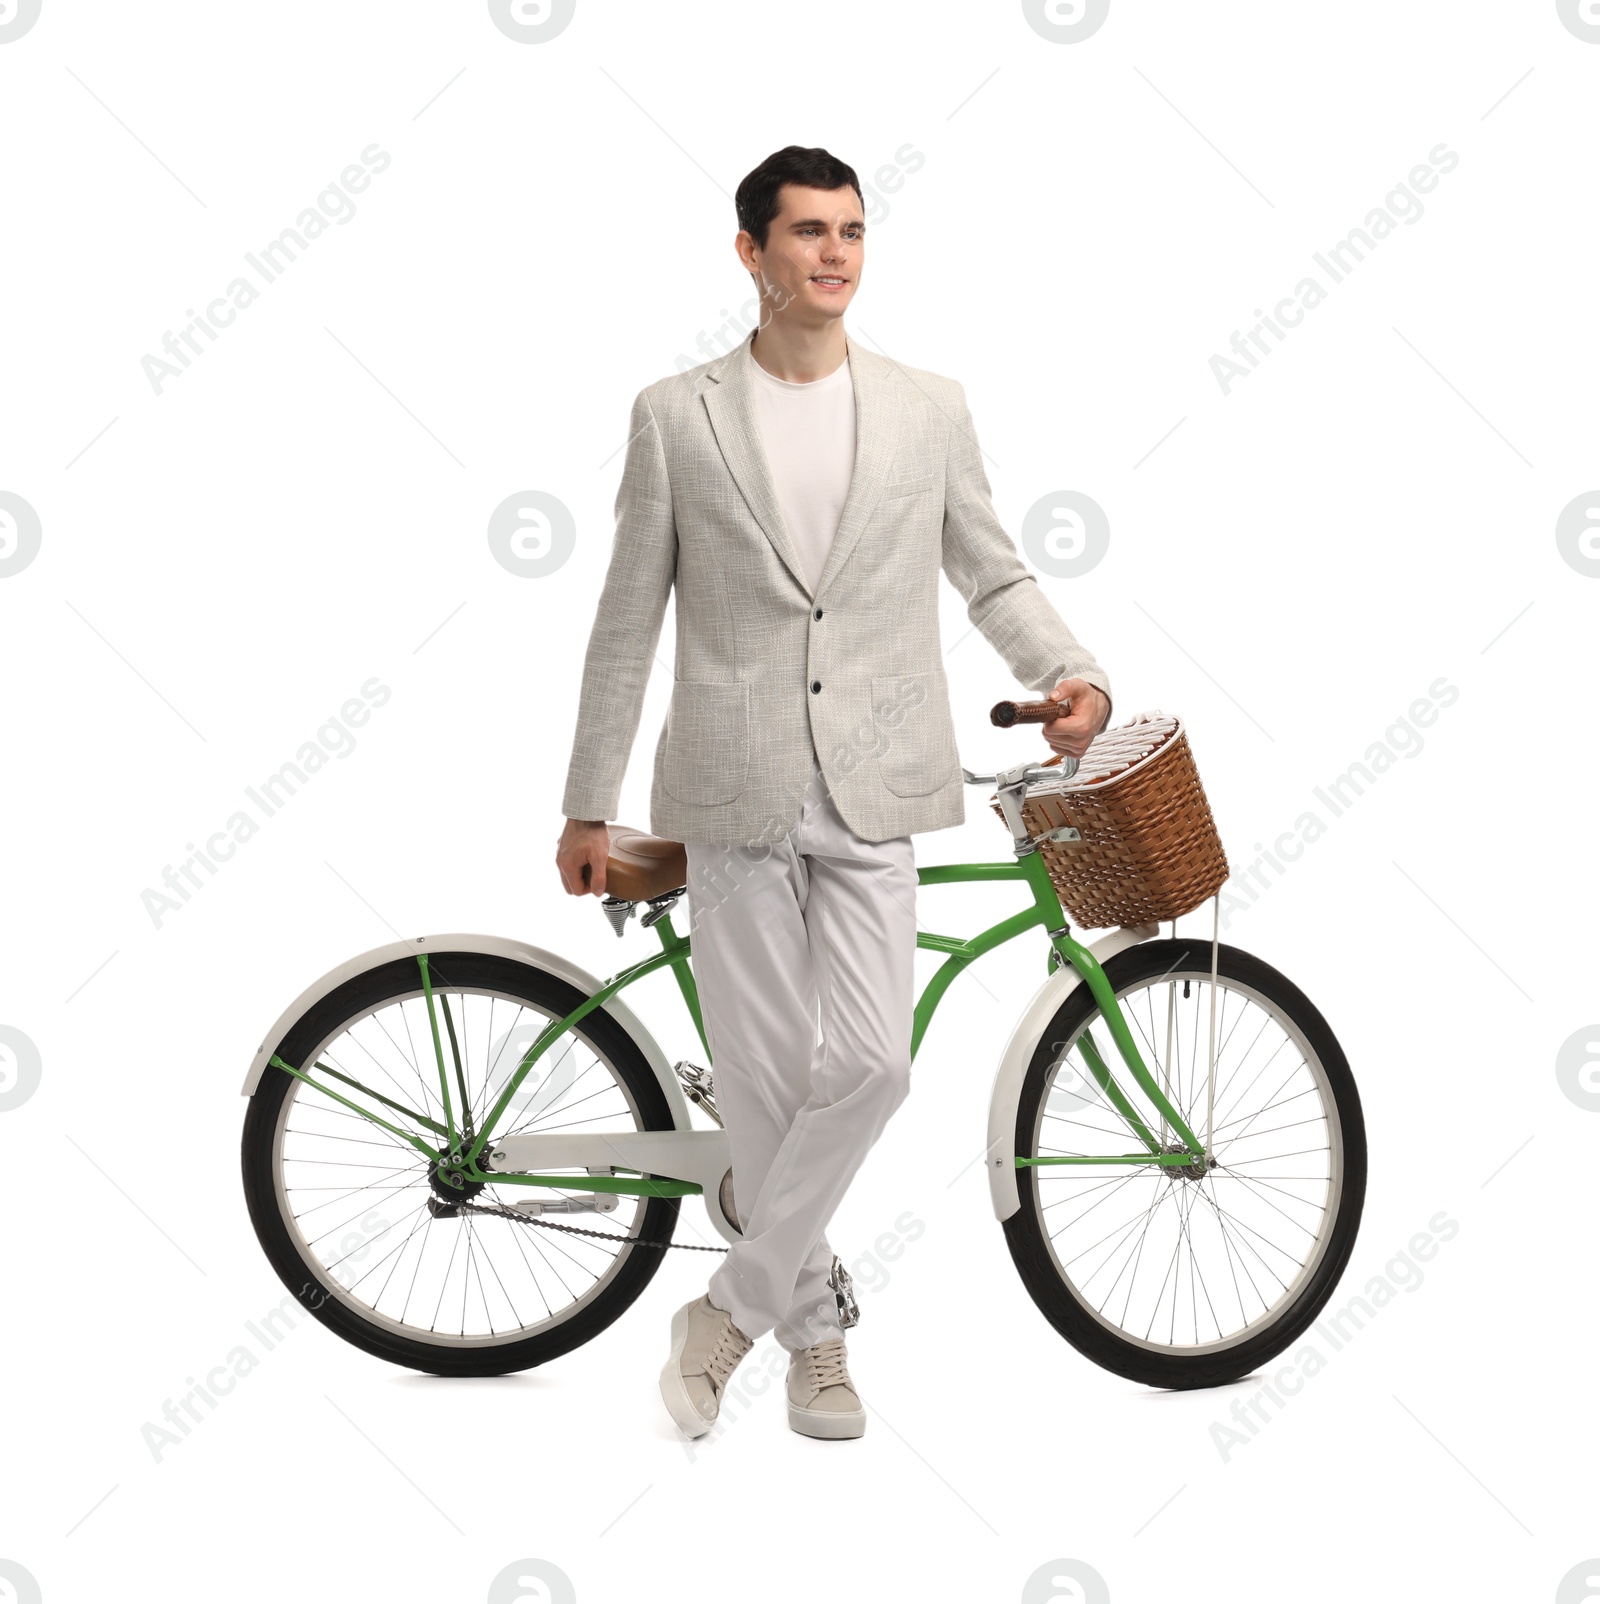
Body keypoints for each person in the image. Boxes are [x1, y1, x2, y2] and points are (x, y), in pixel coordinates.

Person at [555, 145, 1112, 1441]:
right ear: (749, 253)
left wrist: (1068, 668)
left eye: (852, 230)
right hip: (734, 790)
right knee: (760, 1086)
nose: (835, 253)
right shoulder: (675, 414)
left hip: (879, 781)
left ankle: (730, 1314)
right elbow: (627, 619)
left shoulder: (926, 407)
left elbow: (992, 570)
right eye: (807, 231)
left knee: (868, 1064)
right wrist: (589, 798)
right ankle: (817, 1336)